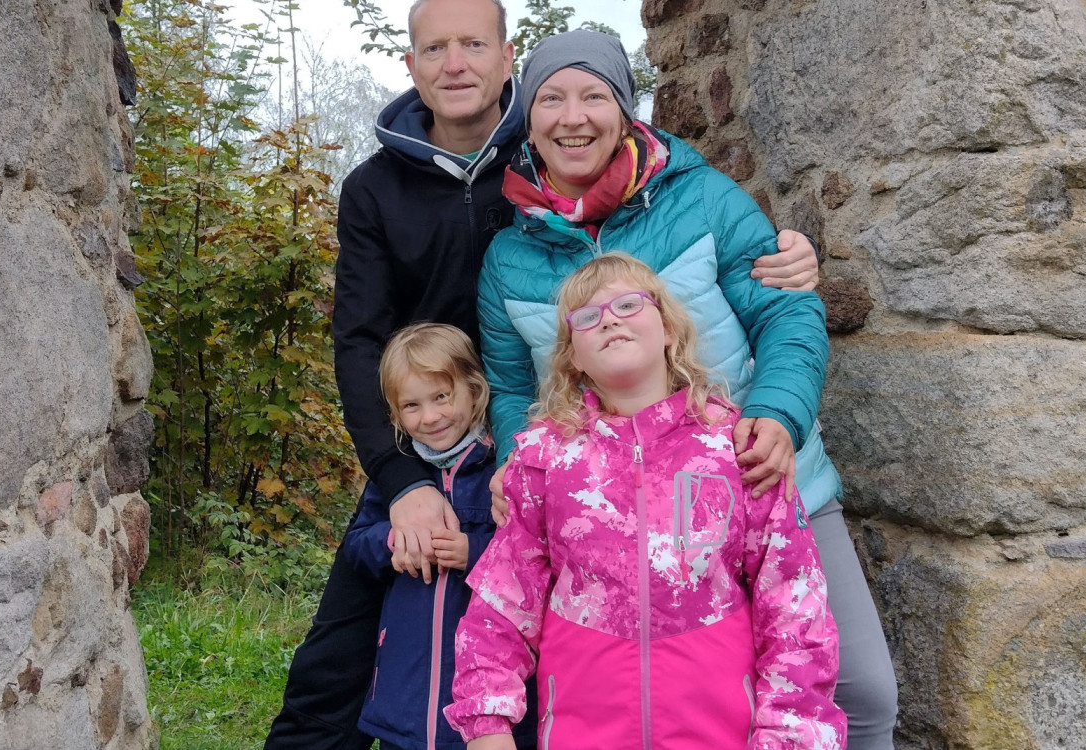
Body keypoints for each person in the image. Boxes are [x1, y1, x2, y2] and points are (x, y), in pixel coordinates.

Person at [265, 2, 821, 747]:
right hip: (443, 439)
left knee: (563, 651)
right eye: (435, 48)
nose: (454, 63)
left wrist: (789, 266)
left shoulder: (558, 170)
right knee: (338, 666)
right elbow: (362, 339)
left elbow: (730, 291)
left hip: (628, 449)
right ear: (412, 66)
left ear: (506, 61)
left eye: (472, 45)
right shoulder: (380, 188)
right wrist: (402, 482)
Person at [477, 29, 899, 749]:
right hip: (605, 514)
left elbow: (788, 311)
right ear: (527, 118)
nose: (572, 116)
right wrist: (516, 463)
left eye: (594, 95)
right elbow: (513, 385)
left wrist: (778, 416)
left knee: (857, 690)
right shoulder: (509, 256)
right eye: (551, 98)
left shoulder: (702, 199)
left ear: (625, 109)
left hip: (758, 475)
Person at [445, 254, 846, 749]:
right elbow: (503, 599)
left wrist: (790, 736)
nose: (609, 318)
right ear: (573, 357)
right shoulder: (544, 460)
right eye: (587, 317)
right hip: (581, 730)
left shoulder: (737, 448)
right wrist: (486, 725)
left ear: (669, 329)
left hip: (720, 732)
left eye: (629, 304)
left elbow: (794, 606)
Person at [341, 324, 537, 750]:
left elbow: (538, 552)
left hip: (486, 696)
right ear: (394, 413)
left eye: (441, 397)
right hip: (402, 696)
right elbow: (356, 545)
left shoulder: (496, 469)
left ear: (474, 389)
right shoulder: (400, 477)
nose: (429, 417)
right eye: (411, 405)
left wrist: (475, 551)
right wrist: (395, 542)